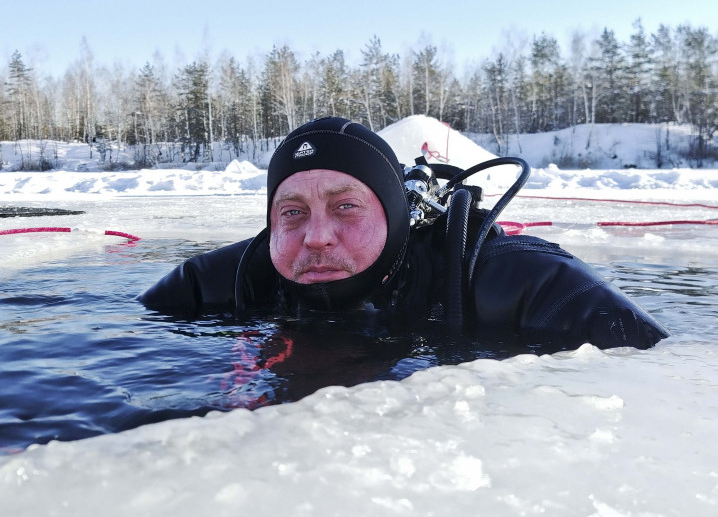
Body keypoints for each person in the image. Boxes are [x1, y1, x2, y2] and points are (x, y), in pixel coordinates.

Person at [139, 117, 668, 350]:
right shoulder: (223, 280)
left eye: (345, 206)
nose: (316, 237)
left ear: (394, 216)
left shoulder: (532, 285)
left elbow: (660, 382)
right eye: (292, 213)